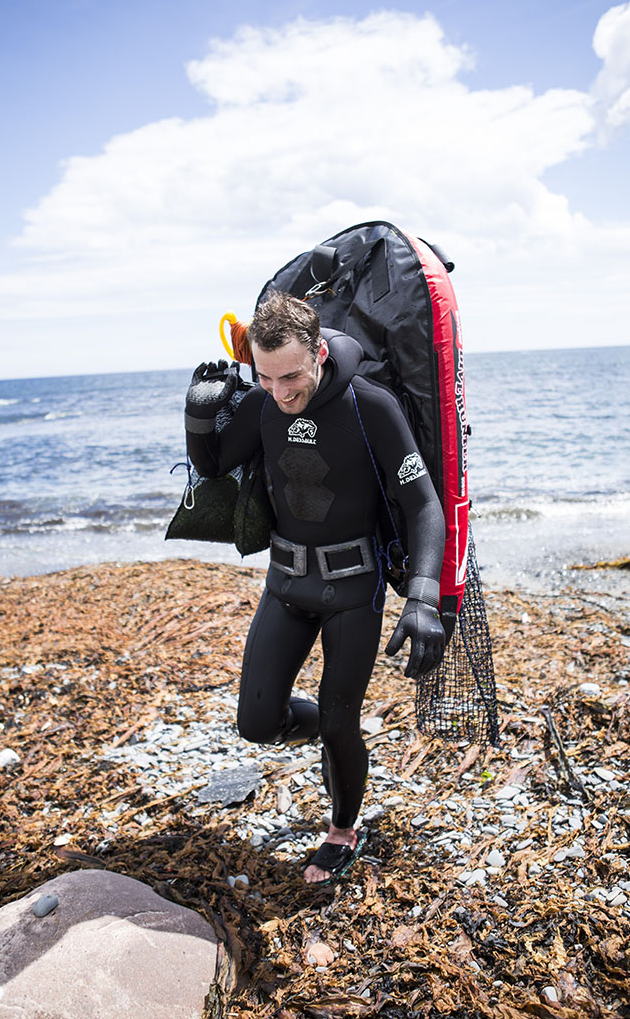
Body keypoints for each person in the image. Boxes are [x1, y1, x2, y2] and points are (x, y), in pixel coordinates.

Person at [185, 291, 446, 884]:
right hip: (285, 584)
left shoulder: (369, 407)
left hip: (354, 589)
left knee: (338, 719)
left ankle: (342, 828)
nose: (280, 393)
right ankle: (335, 738)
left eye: (292, 376)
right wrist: (199, 418)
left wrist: (424, 598)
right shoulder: (263, 402)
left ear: (321, 353)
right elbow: (215, 466)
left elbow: (423, 503)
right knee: (256, 722)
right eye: (266, 377)